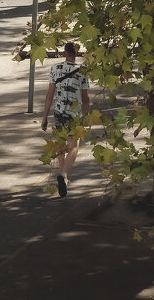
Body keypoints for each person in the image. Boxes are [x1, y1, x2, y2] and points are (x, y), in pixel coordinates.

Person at [40, 41, 90, 197]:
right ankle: (63, 174)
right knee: (74, 146)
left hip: (59, 112)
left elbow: (49, 95)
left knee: (60, 146)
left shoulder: (55, 69)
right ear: (76, 53)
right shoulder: (82, 72)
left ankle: (64, 177)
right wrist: (86, 117)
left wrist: (44, 117)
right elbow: (85, 98)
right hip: (74, 115)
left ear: (64, 53)